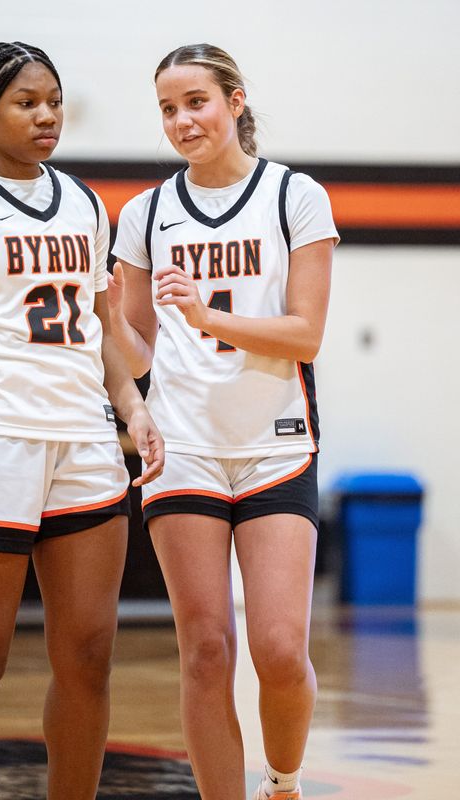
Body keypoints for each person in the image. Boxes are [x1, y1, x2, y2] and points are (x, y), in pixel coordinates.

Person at [0, 42, 164, 800]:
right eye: (26, 102)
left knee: (89, 654)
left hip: (82, 441)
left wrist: (135, 410)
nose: (46, 115)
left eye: (53, 100)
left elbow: (102, 330)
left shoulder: (82, 202)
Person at [109, 43, 339, 800]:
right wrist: (108, 326)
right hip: (184, 450)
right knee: (206, 650)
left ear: (236, 101)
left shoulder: (293, 196)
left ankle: (282, 781)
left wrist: (206, 314)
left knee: (279, 650)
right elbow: (138, 345)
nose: (182, 120)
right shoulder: (145, 213)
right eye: (168, 109)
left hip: (276, 445)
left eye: (196, 102)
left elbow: (305, 333)